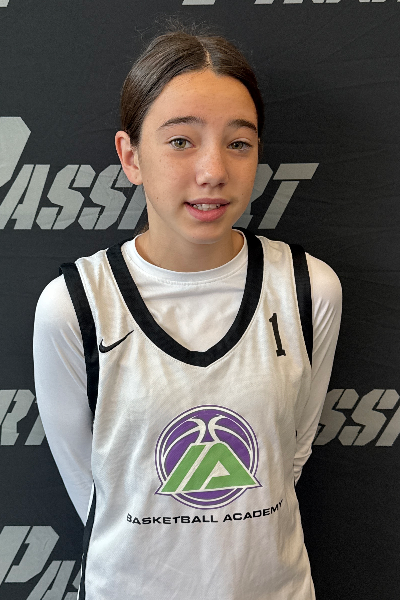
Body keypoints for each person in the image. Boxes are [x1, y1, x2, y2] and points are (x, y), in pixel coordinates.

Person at [33, 27, 342, 600]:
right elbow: (94, 492)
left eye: (238, 143)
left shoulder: (308, 289)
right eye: (181, 141)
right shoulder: (75, 307)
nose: (213, 170)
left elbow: (288, 456)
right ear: (131, 156)